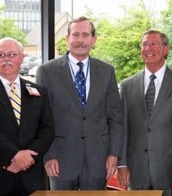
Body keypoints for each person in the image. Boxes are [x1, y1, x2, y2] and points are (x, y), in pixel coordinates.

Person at [36, 16, 123, 190]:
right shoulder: (47, 71)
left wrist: (113, 154)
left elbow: (115, 118)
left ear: (93, 39)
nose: (80, 40)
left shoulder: (107, 71)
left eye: (85, 35)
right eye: (75, 35)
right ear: (67, 39)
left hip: (98, 160)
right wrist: (49, 155)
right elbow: (41, 118)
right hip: (59, 159)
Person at [117, 30, 172, 196]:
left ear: (166, 49)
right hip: (136, 170)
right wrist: (122, 164)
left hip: (171, 169)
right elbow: (123, 129)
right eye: (144, 44)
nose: (148, 48)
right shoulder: (127, 85)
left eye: (154, 44)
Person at [0, 37, 55, 195]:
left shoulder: (39, 91)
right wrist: (15, 156)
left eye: (11, 54)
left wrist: (27, 159)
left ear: (22, 58)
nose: (6, 59)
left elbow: (47, 129)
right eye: (0, 55)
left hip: (32, 175)